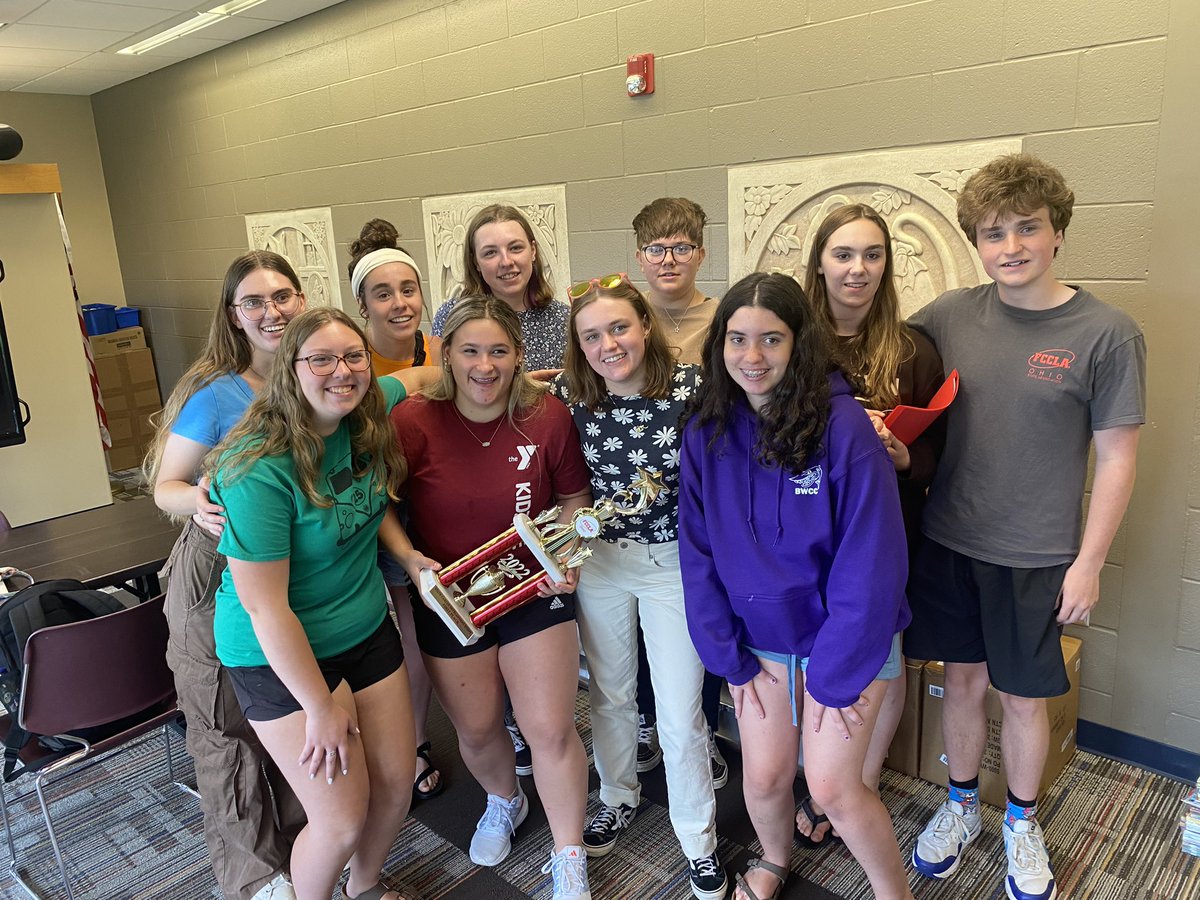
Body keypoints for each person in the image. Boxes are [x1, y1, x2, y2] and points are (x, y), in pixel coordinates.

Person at [906, 153, 1145, 900]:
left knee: (1024, 697)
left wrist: (1089, 562)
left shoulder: (1108, 333)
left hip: (1038, 555)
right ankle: (959, 806)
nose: (1009, 246)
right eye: (992, 232)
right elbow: (878, 359)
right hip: (948, 539)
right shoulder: (949, 314)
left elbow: (1116, 459)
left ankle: (1021, 820)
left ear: (1057, 233)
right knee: (963, 684)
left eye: (1026, 229)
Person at [680, 272, 914, 900]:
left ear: (799, 344)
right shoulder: (705, 432)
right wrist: (725, 656)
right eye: (737, 340)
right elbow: (697, 556)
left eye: (771, 340)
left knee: (835, 788)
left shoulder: (846, 429)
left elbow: (873, 564)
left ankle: (896, 893)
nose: (752, 358)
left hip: (847, 638)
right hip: (763, 641)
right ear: (719, 346)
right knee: (762, 778)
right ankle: (777, 859)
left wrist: (834, 678)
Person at [208, 306, 419, 900]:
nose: (341, 371)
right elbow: (265, 608)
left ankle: (366, 888)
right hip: (278, 654)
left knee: (397, 785)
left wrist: (406, 556)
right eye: (320, 359)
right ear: (290, 370)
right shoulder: (257, 466)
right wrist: (319, 706)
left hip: (362, 627)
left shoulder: (364, 419)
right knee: (340, 819)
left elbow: (424, 377)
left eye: (353, 357)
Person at [388, 297, 594, 900]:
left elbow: (575, 501)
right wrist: (409, 562)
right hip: (453, 600)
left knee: (550, 729)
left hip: (533, 590)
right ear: (445, 354)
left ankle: (568, 854)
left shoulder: (547, 416)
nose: (485, 365)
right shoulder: (412, 423)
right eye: (470, 351)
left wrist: (567, 557)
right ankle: (505, 799)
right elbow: (385, 511)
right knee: (476, 731)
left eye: (499, 351)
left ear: (518, 355)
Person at [549, 274, 726, 900]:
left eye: (619, 327)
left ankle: (697, 838)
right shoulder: (572, 394)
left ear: (646, 326)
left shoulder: (694, 388)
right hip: (599, 562)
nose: (608, 344)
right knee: (610, 694)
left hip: (673, 565)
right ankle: (618, 795)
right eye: (592, 335)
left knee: (679, 713)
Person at [146, 250, 309, 900]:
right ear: (234, 315)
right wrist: (201, 500)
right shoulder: (218, 393)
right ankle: (255, 877)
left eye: (282, 295)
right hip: (214, 571)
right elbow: (165, 486)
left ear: (301, 299)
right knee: (225, 729)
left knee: (287, 708)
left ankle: (304, 848)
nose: (271, 311)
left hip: (290, 569)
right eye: (254, 301)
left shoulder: (314, 373)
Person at [793, 203, 946, 847]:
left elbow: (939, 453)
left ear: (887, 265)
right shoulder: (791, 338)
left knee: (882, 654)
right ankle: (819, 774)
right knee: (807, 651)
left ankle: (862, 779)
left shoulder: (914, 348)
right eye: (843, 254)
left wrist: (903, 452)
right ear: (819, 263)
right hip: (805, 528)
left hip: (885, 531)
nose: (858, 269)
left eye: (872, 255)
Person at [631, 196, 727, 787]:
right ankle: (648, 723)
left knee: (704, 615)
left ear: (701, 252)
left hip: (704, 494)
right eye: (657, 249)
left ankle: (704, 728)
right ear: (640, 257)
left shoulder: (722, 318)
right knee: (643, 625)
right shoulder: (623, 315)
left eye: (681, 247)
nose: (669, 259)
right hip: (635, 498)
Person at [348, 218, 444, 804]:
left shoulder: (439, 346)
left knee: (444, 626)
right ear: (363, 305)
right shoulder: (353, 365)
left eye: (408, 290)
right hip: (381, 509)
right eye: (383, 294)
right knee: (405, 631)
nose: (400, 303)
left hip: (443, 498)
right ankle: (409, 744)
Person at [432, 204, 569, 373]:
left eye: (515, 248)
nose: (506, 262)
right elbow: (438, 387)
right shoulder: (450, 317)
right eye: (490, 252)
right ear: (476, 262)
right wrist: (521, 387)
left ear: (532, 251)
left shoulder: (565, 320)